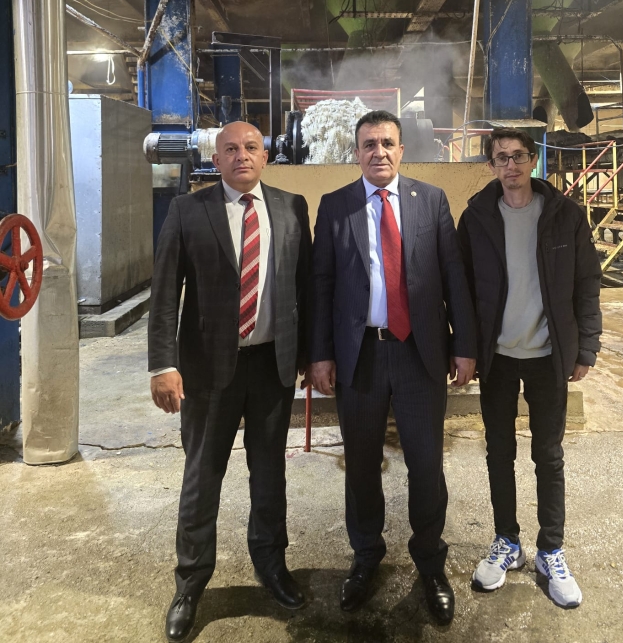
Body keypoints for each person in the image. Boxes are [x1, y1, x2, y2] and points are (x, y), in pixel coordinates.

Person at [307, 109, 476, 626]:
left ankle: (431, 563)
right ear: (356, 153)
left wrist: (464, 345)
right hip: (359, 354)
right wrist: (320, 353)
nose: (378, 151)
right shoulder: (335, 206)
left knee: (426, 464)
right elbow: (321, 284)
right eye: (368, 144)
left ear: (402, 150)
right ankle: (366, 556)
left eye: (387, 143)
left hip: (419, 353)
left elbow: (453, 275)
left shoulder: (431, 201)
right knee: (361, 465)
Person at [148, 121, 311, 642]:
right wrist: (162, 365)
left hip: (272, 367)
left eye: (251, 148)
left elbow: (304, 288)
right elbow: (164, 293)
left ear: (265, 157)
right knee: (202, 478)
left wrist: (310, 356)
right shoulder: (187, 210)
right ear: (215, 160)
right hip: (207, 370)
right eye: (231, 149)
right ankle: (191, 583)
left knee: (270, 475)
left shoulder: (291, 208)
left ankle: (271, 564)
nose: (242, 156)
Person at [456, 127, 602, 609]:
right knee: (499, 453)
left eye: (519, 156)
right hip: (497, 358)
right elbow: (460, 289)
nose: (511, 165)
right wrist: (465, 348)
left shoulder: (564, 215)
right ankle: (507, 541)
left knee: (549, 455)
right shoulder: (476, 218)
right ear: (491, 165)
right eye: (502, 157)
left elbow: (587, 283)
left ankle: (551, 549)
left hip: (547, 356)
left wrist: (586, 347)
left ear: (533, 160)